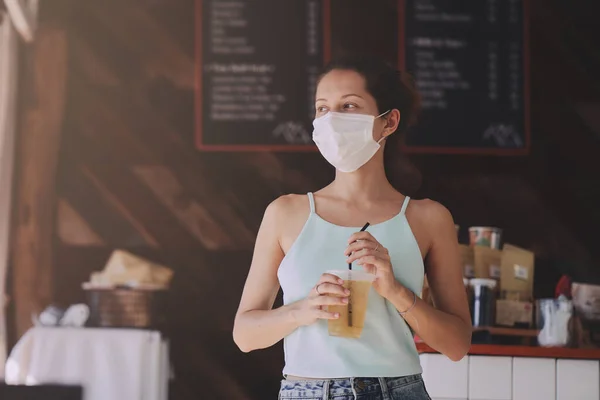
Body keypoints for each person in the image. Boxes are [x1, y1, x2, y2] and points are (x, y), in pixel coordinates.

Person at [233, 55, 471, 400]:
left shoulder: (429, 218)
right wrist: (302, 310)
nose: (331, 120)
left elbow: (457, 344)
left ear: (388, 122)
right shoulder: (285, 213)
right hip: (306, 391)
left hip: (398, 390)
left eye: (348, 106)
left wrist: (397, 292)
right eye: (323, 109)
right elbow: (244, 334)